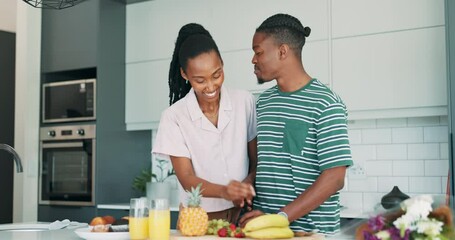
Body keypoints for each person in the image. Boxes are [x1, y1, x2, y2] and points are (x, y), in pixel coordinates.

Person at [239, 14, 353, 235]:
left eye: (258, 51)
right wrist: (248, 182)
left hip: (311, 234)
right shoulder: (263, 103)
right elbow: (266, 164)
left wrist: (280, 217)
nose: (254, 59)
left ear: (282, 51)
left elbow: (335, 178)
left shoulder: (326, 103)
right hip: (265, 231)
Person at [152, 23, 257, 222]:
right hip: (198, 220)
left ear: (222, 63)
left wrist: (247, 184)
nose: (210, 86)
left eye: (216, 75)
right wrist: (226, 191)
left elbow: (255, 161)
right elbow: (186, 179)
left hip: (243, 216)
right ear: (184, 74)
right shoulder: (174, 116)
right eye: (200, 80)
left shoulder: (244, 102)